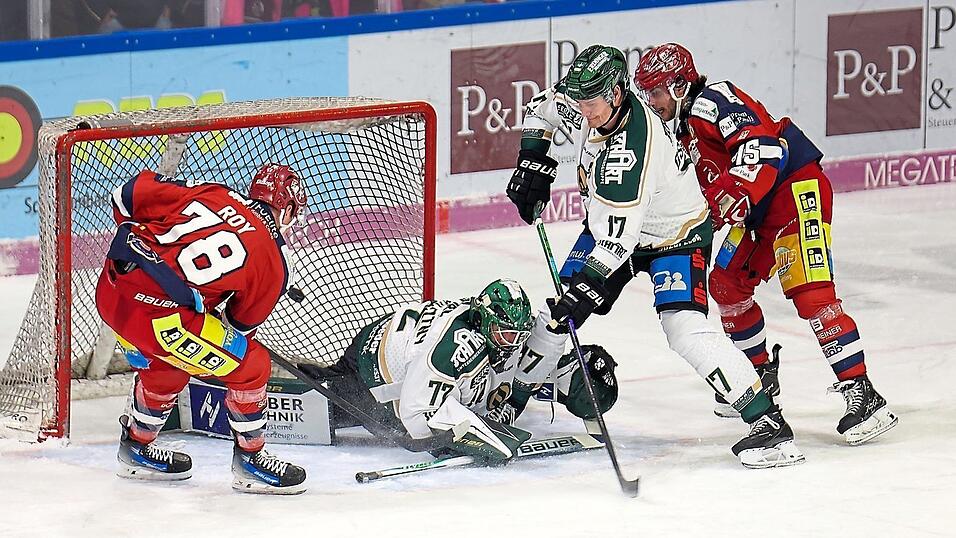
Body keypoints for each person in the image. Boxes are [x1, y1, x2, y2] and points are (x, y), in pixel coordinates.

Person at [506, 44, 804, 468]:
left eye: (590, 104)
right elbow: (542, 109)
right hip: (619, 225)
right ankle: (508, 401)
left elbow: (616, 243)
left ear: (614, 94)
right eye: (580, 102)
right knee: (560, 314)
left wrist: (587, 287)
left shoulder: (630, 153)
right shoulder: (588, 99)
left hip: (675, 235)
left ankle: (768, 424)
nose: (583, 112)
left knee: (682, 328)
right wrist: (533, 162)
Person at [633, 43, 899, 445]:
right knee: (726, 283)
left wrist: (738, 191)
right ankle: (759, 374)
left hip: (794, 190)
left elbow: (766, 148)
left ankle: (863, 393)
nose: (651, 102)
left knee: (810, 294)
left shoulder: (711, 100)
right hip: (757, 210)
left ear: (678, 83)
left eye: (655, 92)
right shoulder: (682, 129)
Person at [94, 164, 309, 494]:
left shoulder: (214, 192)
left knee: (168, 367)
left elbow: (126, 195)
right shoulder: (275, 262)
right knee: (252, 366)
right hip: (162, 321)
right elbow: (238, 329)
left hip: (111, 290)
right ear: (288, 210)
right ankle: (251, 460)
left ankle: (136, 448)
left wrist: (153, 270)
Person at [301, 279, 619, 463]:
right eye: (507, 335)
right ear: (485, 322)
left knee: (500, 382)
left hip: (408, 343)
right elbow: (416, 414)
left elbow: (537, 341)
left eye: (519, 335)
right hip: (375, 369)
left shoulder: (499, 330)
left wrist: (556, 327)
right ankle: (307, 387)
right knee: (322, 409)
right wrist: (450, 442)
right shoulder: (459, 345)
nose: (513, 343)